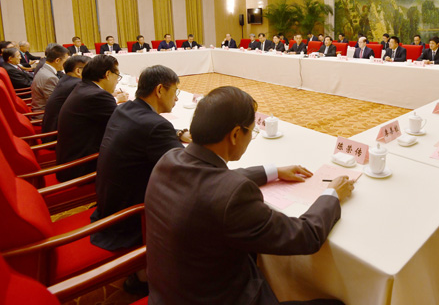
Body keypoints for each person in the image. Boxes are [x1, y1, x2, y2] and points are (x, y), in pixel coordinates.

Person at [145, 86, 354, 305]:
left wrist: (273, 171)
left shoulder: (169, 159)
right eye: (251, 132)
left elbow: (211, 179)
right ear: (235, 135)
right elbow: (305, 236)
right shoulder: (234, 195)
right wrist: (332, 194)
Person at [91, 66, 192, 295]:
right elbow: (187, 169)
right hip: (131, 219)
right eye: (175, 91)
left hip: (109, 204)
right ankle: (146, 275)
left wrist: (177, 133)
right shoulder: (156, 126)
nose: (176, 98)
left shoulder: (125, 109)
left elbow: (148, 130)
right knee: (194, 203)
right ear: (160, 90)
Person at [55, 55, 128, 182]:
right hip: (81, 167)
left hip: (72, 158)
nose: (117, 81)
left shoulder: (84, 87)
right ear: (107, 74)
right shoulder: (97, 95)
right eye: (117, 76)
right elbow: (125, 124)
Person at [41, 55, 90, 136]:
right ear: (78, 71)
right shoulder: (77, 84)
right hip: (59, 135)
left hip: (53, 128)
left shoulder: (66, 79)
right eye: (91, 69)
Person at [31, 44, 69, 115]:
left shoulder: (45, 69)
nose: (67, 64)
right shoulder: (50, 78)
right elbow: (56, 104)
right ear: (57, 60)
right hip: (46, 115)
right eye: (66, 61)